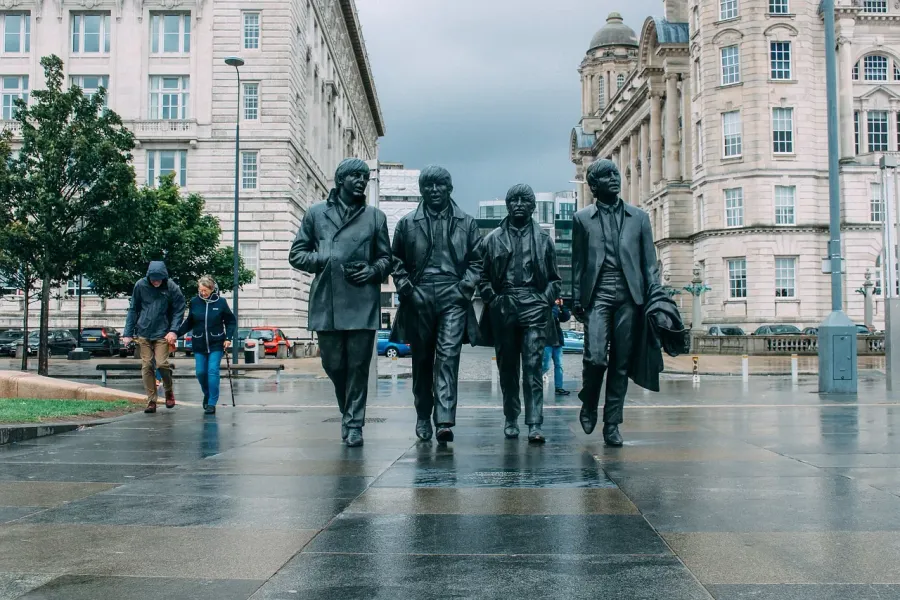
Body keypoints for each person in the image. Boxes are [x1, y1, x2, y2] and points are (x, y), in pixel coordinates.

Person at [572, 159, 685, 447]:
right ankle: (589, 401)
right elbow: (578, 263)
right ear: (594, 186)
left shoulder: (640, 218)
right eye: (606, 176)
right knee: (596, 358)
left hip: (630, 297)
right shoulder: (582, 219)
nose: (614, 178)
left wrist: (656, 297)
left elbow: (649, 264)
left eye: (615, 174)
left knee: (620, 363)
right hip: (597, 294)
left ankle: (612, 423)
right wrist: (576, 298)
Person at [289, 158, 391, 447]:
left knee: (358, 366)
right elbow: (296, 254)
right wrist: (324, 257)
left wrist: (373, 270)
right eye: (356, 176)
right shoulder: (316, 213)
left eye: (365, 178)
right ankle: (348, 412)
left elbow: (387, 258)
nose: (361, 182)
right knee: (333, 364)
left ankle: (355, 423)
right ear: (341, 179)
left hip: (362, 300)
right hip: (327, 301)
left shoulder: (375, 217)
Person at [390, 165, 483, 444]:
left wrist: (464, 288)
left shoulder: (467, 223)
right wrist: (408, 289)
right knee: (421, 360)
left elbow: (477, 261)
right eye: (428, 185)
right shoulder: (407, 223)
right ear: (421, 190)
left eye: (439, 185)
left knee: (448, 356)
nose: (434, 190)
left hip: (453, 295)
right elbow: (396, 261)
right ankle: (423, 415)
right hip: (419, 295)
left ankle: (443, 419)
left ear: (449, 188)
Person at [478, 184, 561, 443]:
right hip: (504, 305)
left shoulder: (544, 240)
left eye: (524, 200)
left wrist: (543, 300)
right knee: (508, 367)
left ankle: (535, 423)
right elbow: (482, 276)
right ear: (507, 205)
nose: (518, 204)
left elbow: (555, 280)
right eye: (513, 200)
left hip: (534, 305)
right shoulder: (492, 239)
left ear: (533, 206)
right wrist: (494, 300)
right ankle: (511, 417)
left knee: (533, 367)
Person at [122, 261, 186, 414]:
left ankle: (169, 390)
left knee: (162, 363)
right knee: (147, 366)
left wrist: (173, 330)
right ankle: (151, 401)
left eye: (159, 279)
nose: (156, 282)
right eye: (153, 279)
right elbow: (133, 309)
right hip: (144, 331)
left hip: (162, 332)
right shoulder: (140, 285)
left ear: (164, 277)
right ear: (148, 277)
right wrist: (127, 333)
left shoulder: (171, 287)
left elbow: (179, 309)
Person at [177, 276, 236, 415]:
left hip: (216, 343)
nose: (202, 293)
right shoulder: (194, 302)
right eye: (200, 290)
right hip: (199, 342)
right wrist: (176, 333)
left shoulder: (221, 302)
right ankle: (207, 393)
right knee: (200, 372)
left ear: (211, 289)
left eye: (205, 290)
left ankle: (212, 403)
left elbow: (230, 321)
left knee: (212, 371)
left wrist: (228, 338)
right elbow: (189, 322)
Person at [543, 298, 572, 396]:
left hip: (557, 342)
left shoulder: (556, 308)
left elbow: (566, 317)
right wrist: (554, 305)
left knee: (559, 365)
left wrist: (562, 306)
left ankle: (559, 388)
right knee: (545, 365)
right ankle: (534, 381)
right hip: (547, 341)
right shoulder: (546, 307)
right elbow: (552, 316)